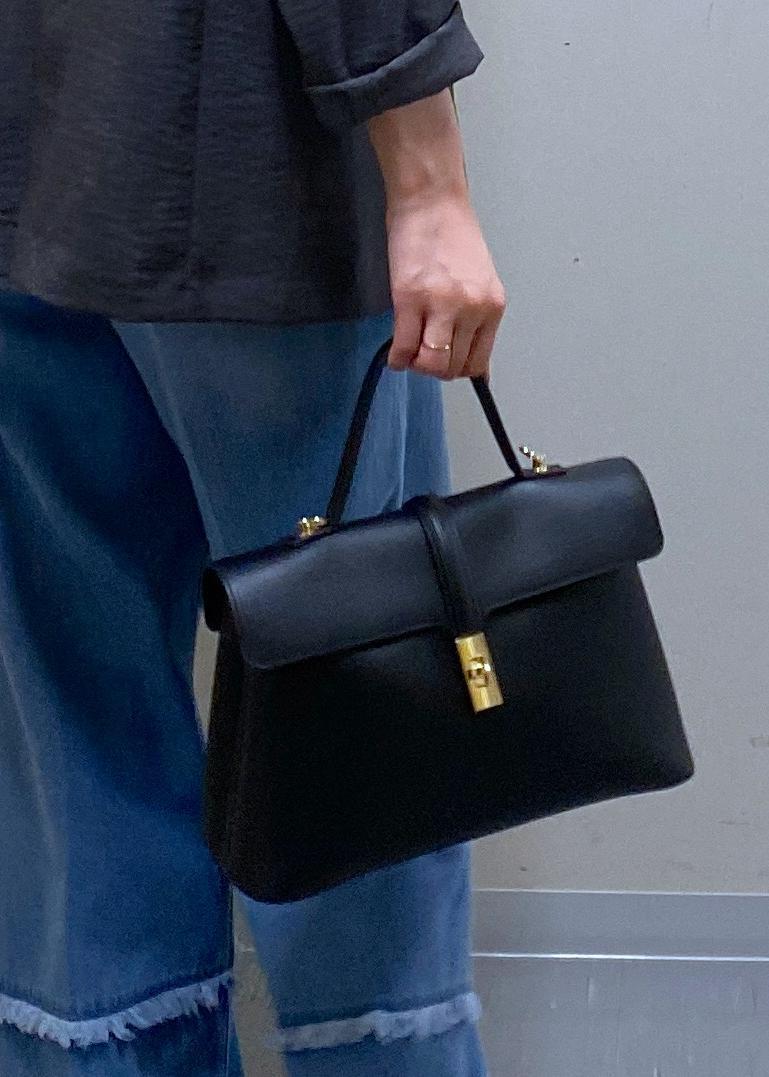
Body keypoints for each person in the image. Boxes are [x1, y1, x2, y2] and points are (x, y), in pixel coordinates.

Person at [0, 0, 506, 1074]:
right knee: (356, 709)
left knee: (75, 716)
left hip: (23, 164)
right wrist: (428, 183)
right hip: (244, 180)